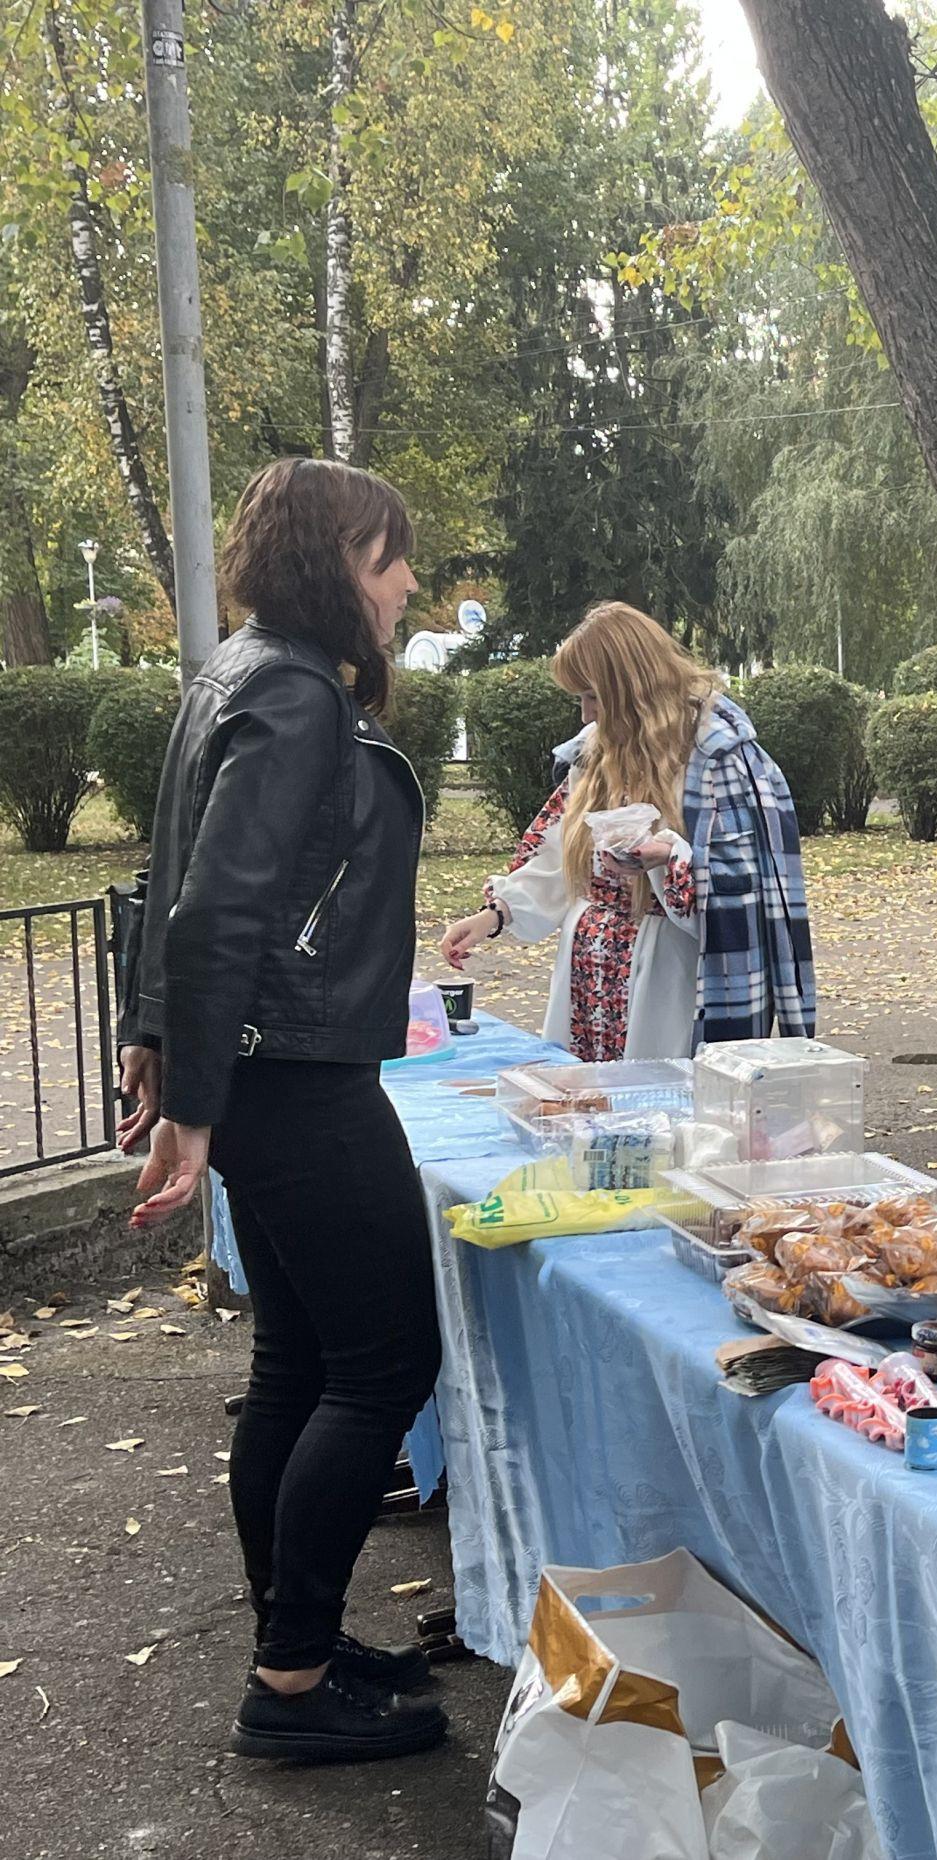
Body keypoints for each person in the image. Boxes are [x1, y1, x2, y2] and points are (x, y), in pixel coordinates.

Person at [117, 457, 447, 1761]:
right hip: (296, 1077)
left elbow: (175, 873)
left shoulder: (237, 673)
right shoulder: (296, 696)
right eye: (389, 557)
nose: (408, 580)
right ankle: (292, 1680)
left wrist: (161, 1043)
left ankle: (293, 1648)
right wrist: (189, 1098)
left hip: (266, 1069)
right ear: (333, 564)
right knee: (384, 1368)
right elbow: (220, 904)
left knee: (300, 1366)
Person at [439, 602, 814, 1057]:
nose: (585, 714)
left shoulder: (715, 761)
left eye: (593, 696)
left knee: (658, 1110)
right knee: (585, 1109)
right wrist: (495, 916)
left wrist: (669, 859)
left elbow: (745, 890)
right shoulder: (595, 754)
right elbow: (560, 856)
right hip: (587, 977)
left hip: (663, 978)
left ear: (632, 690)